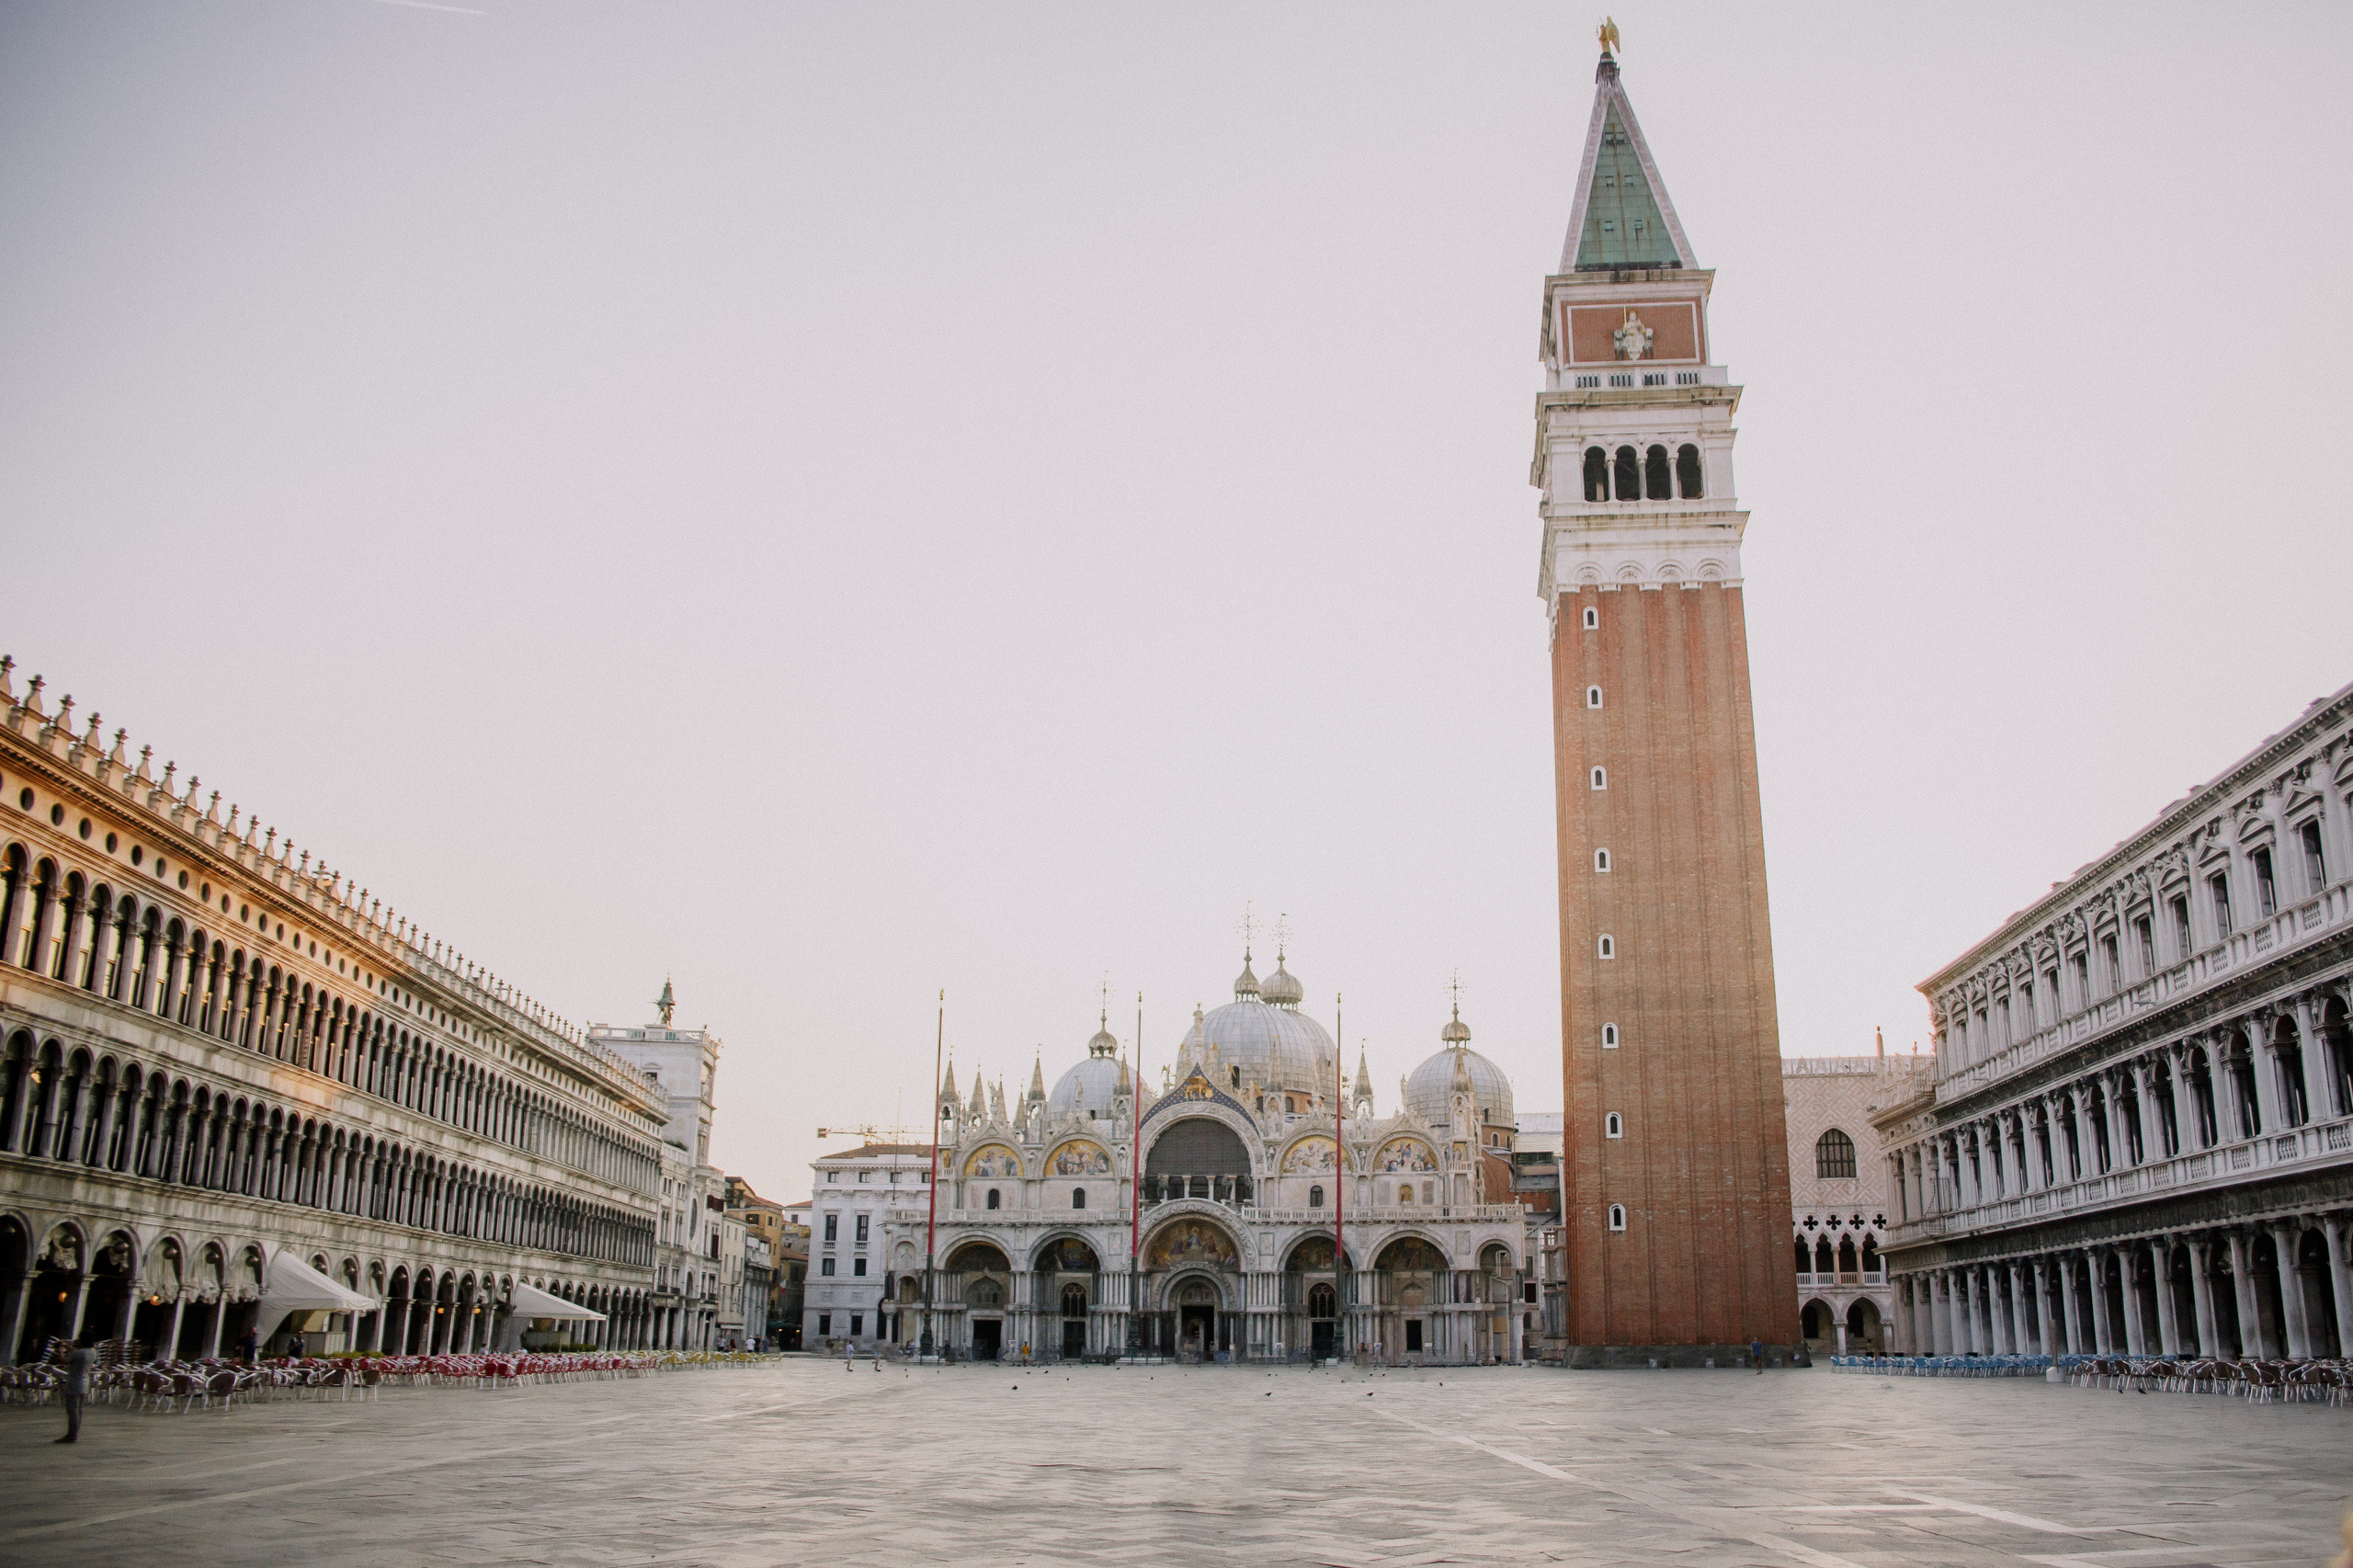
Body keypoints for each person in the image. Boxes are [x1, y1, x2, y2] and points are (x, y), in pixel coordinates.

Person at [56, 1338, 94, 1445]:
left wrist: (60, 1351)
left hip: (74, 1383)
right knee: (80, 1409)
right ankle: (75, 1431)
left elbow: (64, 1361)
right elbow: (76, 1351)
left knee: (72, 1410)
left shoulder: (77, 1353)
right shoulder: (92, 1352)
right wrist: (66, 1346)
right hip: (84, 1383)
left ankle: (71, 1434)